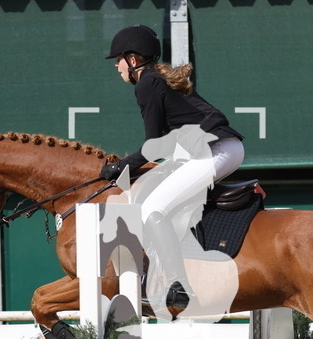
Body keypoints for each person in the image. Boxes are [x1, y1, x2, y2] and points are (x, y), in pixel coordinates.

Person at [100, 24, 245, 315]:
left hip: (215, 150)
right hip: (219, 148)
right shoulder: (155, 80)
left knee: (152, 208)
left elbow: (156, 145)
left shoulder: (146, 83)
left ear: (133, 59)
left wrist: (122, 166)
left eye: (118, 59)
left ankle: (180, 286)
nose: (116, 66)